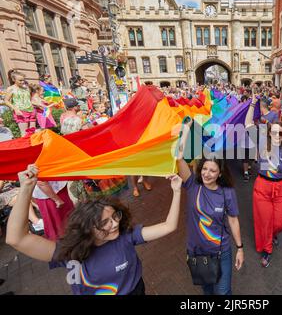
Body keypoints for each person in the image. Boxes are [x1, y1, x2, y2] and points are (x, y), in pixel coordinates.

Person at [6, 164, 183, 295]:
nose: (114, 224)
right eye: (105, 222)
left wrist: (176, 192)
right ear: (87, 228)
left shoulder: (126, 236)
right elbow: (16, 239)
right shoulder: (70, 252)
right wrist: (26, 189)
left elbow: (169, 226)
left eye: (115, 216)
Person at [176, 119, 244, 295]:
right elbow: (178, 156)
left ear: (220, 173)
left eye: (212, 171)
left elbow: (233, 220)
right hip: (197, 252)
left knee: (223, 292)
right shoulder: (192, 185)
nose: (207, 174)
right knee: (207, 291)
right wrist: (186, 129)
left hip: (221, 252)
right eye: (205, 169)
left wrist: (240, 248)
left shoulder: (227, 192)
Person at [245, 92, 282, 267]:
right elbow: (247, 125)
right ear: (269, 133)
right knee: (265, 221)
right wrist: (252, 104)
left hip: (281, 189)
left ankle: (273, 234)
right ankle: (267, 250)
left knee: (281, 221)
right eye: (274, 132)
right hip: (262, 187)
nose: (277, 136)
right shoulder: (262, 143)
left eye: (281, 133)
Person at [3, 71, 35, 137]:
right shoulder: (11, 89)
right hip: (21, 112)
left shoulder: (26, 88)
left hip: (31, 111)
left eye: (23, 80)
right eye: (20, 80)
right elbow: (6, 101)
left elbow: (30, 99)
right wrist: (15, 109)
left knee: (32, 132)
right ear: (13, 79)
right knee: (25, 134)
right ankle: (26, 147)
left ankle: (34, 146)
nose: (22, 82)